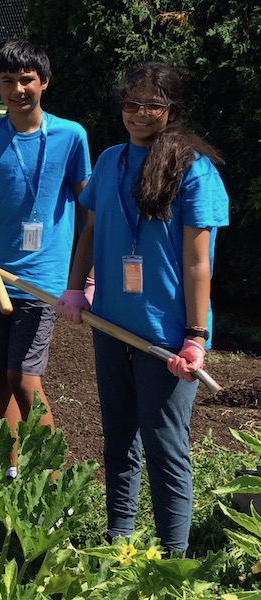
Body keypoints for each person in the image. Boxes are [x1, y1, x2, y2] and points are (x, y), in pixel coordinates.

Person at [56, 62, 229, 553]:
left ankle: (173, 558)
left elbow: (198, 263)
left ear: (171, 110)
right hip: (111, 325)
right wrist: (76, 286)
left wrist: (196, 336)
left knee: (164, 446)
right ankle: (120, 542)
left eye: (152, 104)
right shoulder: (110, 160)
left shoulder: (193, 169)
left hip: (166, 338)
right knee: (118, 441)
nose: (139, 113)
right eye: (131, 102)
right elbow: (91, 230)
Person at [0, 41, 91, 478]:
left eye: (27, 80)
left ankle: (52, 478)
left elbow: (87, 209)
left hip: (42, 279)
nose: (18, 89)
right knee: (0, 375)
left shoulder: (71, 136)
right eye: (8, 82)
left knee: (25, 378)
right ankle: (11, 469)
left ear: (44, 82)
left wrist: (85, 276)